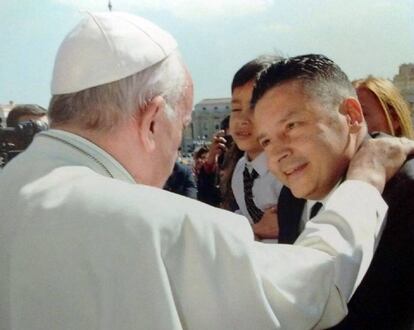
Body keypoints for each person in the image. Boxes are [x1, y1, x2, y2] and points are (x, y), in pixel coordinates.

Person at [0, 12, 412, 330]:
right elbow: (316, 287)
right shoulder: (160, 224)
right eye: (180, 127)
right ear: (153, 120)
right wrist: (365, 180)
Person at [252, 54, 414, 329]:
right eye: (266, 141)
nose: (277, 153)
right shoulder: (292, 197)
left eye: (291, 126)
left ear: (351, 115)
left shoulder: (407, 191)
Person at [227, 56, 283, 242]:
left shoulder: (287, 171)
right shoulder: (240, 170)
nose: (242, 119)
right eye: (235, 109)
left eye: (254, 108)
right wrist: (255, 230)